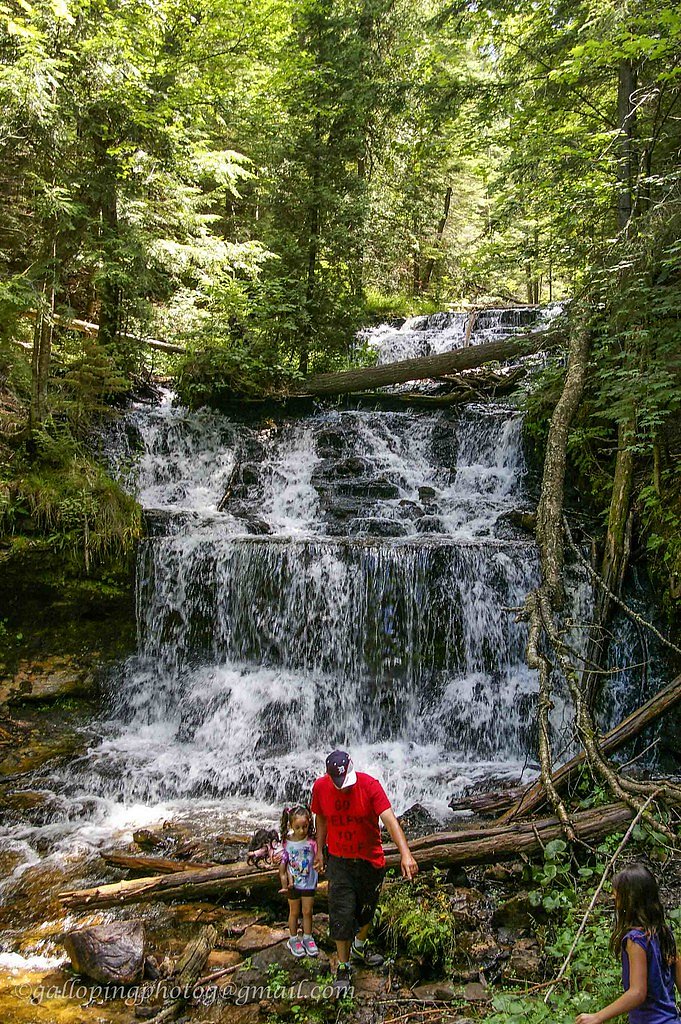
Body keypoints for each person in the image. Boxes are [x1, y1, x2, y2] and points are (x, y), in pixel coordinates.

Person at [311, 750, 419, 993]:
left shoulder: (370, 786)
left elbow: (390, 820)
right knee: (341, 911)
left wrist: (406, 854)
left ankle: (359, 946)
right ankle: (343, 966)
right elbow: (321, 819)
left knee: (365, 910)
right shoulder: (320, 787)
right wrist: (319, 850)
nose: (343, 788)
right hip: (339, 859)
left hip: (369, 860)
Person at [575, 862, 681, 1024]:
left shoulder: (636, 940)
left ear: (629, 901)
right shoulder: (664, 932)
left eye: (616, 898)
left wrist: (598, 1016)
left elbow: (638, 993)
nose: (614, 903)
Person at [278, 805, 319, 958]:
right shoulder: (287, 842)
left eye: (305, 827)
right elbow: (283, 863)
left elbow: (319, 858)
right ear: (291, 826)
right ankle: (293, 938)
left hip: (309, 882)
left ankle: (308, 937)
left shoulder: (312, 843)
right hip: (293, 883)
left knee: (308, 911)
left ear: (309, 824)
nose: (302, 830)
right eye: (298, 827)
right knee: (294, 912)